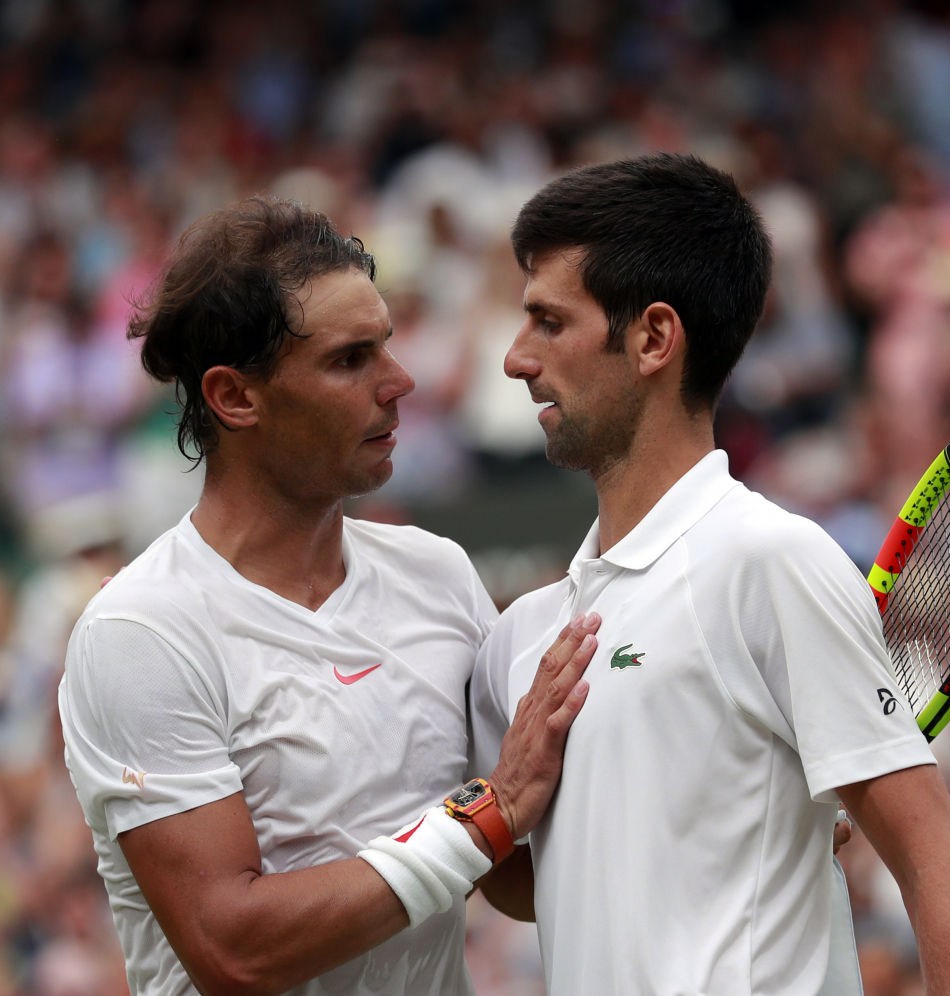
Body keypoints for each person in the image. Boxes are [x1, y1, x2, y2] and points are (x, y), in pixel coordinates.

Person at [468, 154, 950, 996]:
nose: (515, 358)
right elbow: (540, 886)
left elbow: (943, 868)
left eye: (548, 321)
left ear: (653, 337)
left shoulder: (769, 562)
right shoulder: (519, 637)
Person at [57, 197, 598, 996]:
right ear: (235, 398)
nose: (400, 380)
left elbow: (511, 875)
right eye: (351, 359)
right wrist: (491, 812)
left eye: (386, 345)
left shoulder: (438, 574)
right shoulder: (141, 629)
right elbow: (233, 949)